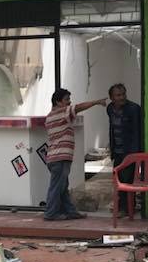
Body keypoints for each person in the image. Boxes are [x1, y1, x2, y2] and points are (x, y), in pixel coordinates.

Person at [44, 88, 107, 221]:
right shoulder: (62, 112)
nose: (69, 102)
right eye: (66, 99)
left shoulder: (50, 116)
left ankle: (70, 211)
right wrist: (96, 102)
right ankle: (51, 213)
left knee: (62, 187)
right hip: (60, 158)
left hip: (55, 158)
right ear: (58, 102)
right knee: (57, 187)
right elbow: (78, 107)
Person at [106, 83, 143, 214]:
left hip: (129, 151)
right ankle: (123, 206)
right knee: (119, 179)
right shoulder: (110, 109)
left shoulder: (133, 109)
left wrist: (135, 154)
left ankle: (127, 208)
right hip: (117, 151)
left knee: (127, 179)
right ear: (111, 98)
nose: (122, 97)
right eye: (118, 95)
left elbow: (137, 132)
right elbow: (112, 128)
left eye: (123, 94)